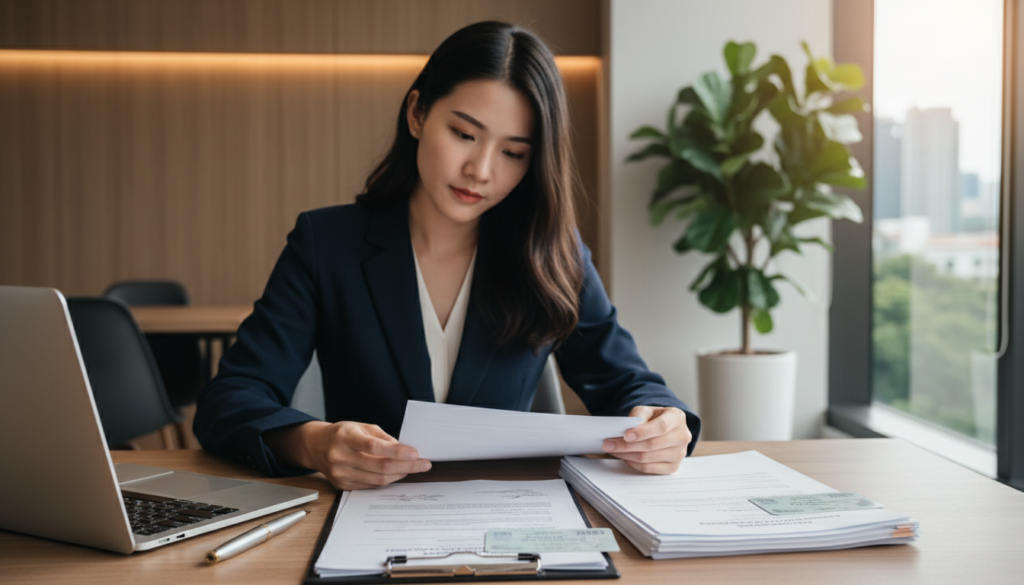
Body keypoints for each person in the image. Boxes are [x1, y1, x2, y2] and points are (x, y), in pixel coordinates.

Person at [193, 21, 701, 491]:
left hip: (506, 524)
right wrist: (316, 443)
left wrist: (663, 422)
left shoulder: (553, 253)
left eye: (513, 153)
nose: (480, 169)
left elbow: (629, 382)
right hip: (368, 519)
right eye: (463, 134)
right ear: (417, 113)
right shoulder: (327, 243)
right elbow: (229, 401)